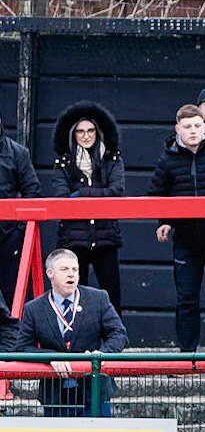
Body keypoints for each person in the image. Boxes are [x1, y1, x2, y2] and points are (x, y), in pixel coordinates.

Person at [151, 104, 205, 353]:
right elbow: (157, 194)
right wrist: (165, 220)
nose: (193, 131)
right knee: (187, 298)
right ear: (178, 128)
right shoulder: (168, 159)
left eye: (197, 126)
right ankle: (187, 355)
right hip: (186, 239)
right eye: (187, 126)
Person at [12, 249, 127, 417]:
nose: (71, 275)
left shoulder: (98, 299)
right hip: (56, 395)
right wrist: (50, 357)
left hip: (94, 391)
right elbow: (21, 348)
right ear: (50, 273)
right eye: (64, 269)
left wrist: (101, 354)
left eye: (75, 270)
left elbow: (119, 334)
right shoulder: (34, 308)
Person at [48, 101, 125, 313]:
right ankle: (75, 342)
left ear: (98, 132)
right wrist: (97, 196)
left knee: (111, 296)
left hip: (106, 237)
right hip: (73, 239)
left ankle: (113, 342)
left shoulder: (112, 159)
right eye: (80, 131)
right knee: (72, 296)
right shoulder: (64, 163)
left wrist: (81, 194)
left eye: (91, 130)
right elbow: (62, 198)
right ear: (73, 135)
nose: (86, 135)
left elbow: (117, 191)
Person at [0, 113, 42, 305]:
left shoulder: (18, 153)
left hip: (8, 238)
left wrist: (19, 230)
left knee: (14, 298)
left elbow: (33, 192)